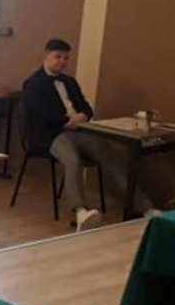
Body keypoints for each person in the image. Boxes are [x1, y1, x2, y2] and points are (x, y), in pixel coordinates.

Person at [22, 39, 158, 229]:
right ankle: (80, 212)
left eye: (66, 58)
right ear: (46, 56)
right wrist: (68, 120)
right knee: (73, 160)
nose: (62, 61)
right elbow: (41, 116)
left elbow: (86, 107)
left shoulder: (70, 82)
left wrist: (83, 116)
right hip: (52, 135)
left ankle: (145, 208)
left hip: (80, 130)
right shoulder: (33, 83)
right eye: (58, 57)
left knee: (112, 156)